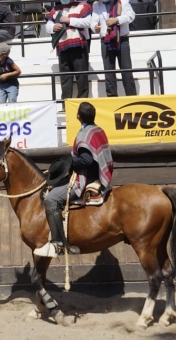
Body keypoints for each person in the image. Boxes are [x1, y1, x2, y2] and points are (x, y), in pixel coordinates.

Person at [36, 102, 113, 257]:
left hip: (85, 177)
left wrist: (69, 162)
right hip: (98, 173)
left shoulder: (84, 134)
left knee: (51, 199)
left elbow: (87, 160)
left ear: (78, 116)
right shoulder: (97, 130)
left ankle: (58, 243)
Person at [90, 0, 138, 97]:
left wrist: (116, 20)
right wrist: (95, 27)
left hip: (122, 39)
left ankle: (131, 97)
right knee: (109, 72)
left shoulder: (122, 1)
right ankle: (112, 98)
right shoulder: (96, 5)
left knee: (126, 71)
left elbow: (131, 16)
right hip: (105, 40)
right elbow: (93, 22)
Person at [45, 0, 93, 99]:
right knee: (65, 77)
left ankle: (82, 102)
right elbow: (48, 24)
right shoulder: (56, 9)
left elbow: (88, 22)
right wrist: (52, 27)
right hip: (62, 46)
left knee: (82, 76)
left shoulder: (82, 6)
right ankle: (66, 103)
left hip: (79, 45)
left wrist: (70, 20)